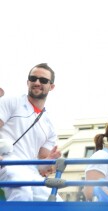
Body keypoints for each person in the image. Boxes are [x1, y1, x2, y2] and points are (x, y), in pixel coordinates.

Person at [0, 63, 62, 201]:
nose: (37, 82)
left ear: (51, 86)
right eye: (33, 78)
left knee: (56, 202)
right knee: (22, 192)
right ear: (28, 82)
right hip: (7, 164)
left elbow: (42, 166)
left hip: (31, 171)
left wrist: (51, 161)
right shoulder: (11, 102)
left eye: (43, 80)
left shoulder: (49, 125)